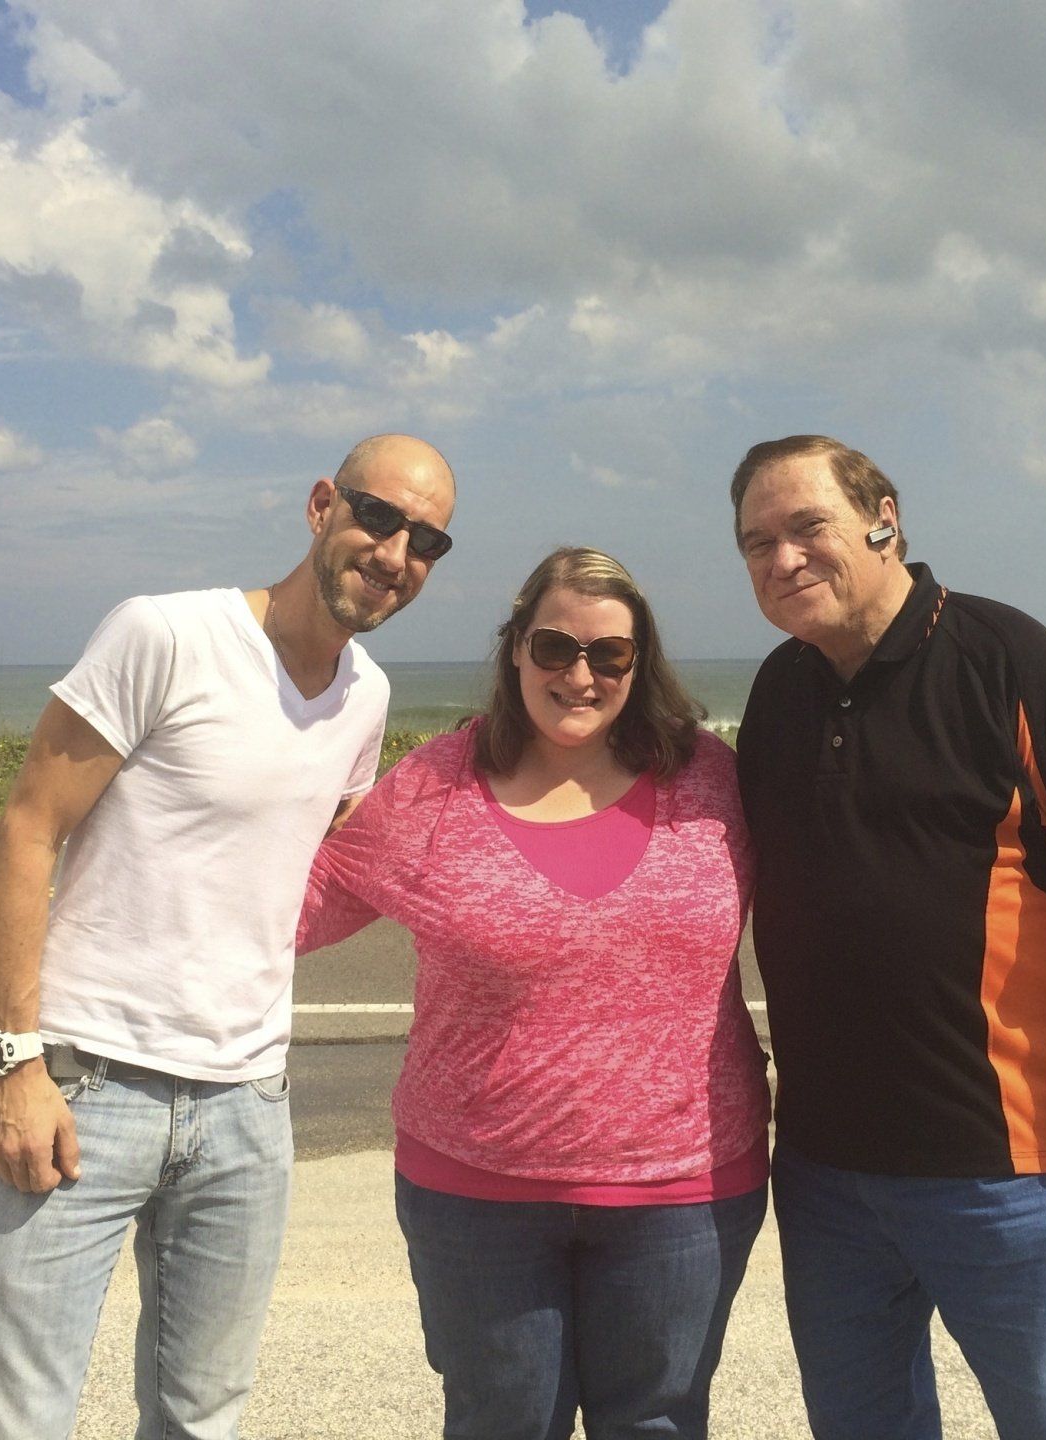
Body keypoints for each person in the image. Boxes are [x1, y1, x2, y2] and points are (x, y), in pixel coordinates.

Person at [0, 434, 457, 1440]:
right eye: (379, 517)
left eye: (428, 541)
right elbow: (26, 829)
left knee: (204, 1417)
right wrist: (14, 1066)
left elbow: (317, 859)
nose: (396, 554)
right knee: (18, 1419)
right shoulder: (166, 634)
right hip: (89, 1086)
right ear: (322, 505)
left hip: (247, 1107)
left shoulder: (369, 696)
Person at [729, 434, 1046, 1440]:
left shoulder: (1009, 660)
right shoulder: (778, 692)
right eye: (756, 543)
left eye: (808, 528)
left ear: (882, 516)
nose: (783, 560)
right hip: (826, 1172)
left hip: (1009, 1166)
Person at [297, 546, 771, 1440]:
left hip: (683, 1190)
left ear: (641, 663)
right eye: (553, 647)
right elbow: (294, 910)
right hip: (477, 1194)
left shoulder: (712, 780)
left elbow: (848, 891)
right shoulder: (433, 786)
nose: (579, 675)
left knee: (662, 1425)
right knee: (500, 1425)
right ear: (515, 649)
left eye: (609, 655)